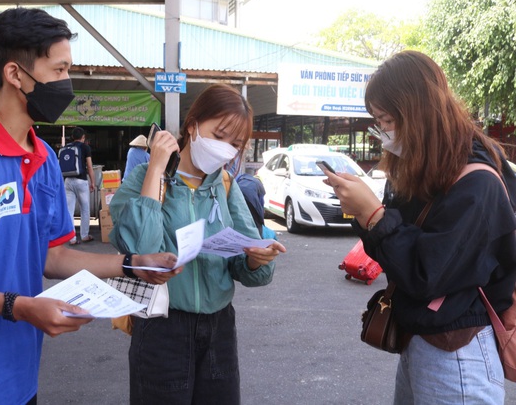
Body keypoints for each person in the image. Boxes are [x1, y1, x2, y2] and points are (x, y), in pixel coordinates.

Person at [0, 7, 181, 405]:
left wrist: (133, 264)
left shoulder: (45, 159)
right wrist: (17, 306)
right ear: (15, 74)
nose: (68, 83)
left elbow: (53, 256)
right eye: (59, 70)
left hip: (22, 378)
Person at [325, 50, 516, 404]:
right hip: (420, 343)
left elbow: (428, 275)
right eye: (378, 120)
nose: (383, 131)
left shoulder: (477, 182)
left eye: (387, 120)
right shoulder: (423, 167)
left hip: (457, 352)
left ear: (417, 113)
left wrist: (375, 216)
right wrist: (363, 212)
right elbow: (391, 255)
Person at [108, 83, 287, 405]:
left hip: (219, 329)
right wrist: (156, 171)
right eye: (219, 136)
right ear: (192, 126)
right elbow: (140, 253)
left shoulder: (226, 184)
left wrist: (257, 259)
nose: (225, 150)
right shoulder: (140, 180)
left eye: (235, 144)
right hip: (162, 328)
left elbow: (248, 270)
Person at [64, 126, 96, 244]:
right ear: (83, 137)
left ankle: (71, 238)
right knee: (85, 209)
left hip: (67, 181)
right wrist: (93, 182)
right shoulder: (85, 147)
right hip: (81, 181)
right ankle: (84, 235)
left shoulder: (66, 147)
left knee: (69, 211)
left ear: (72, 137)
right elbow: (89, 167)